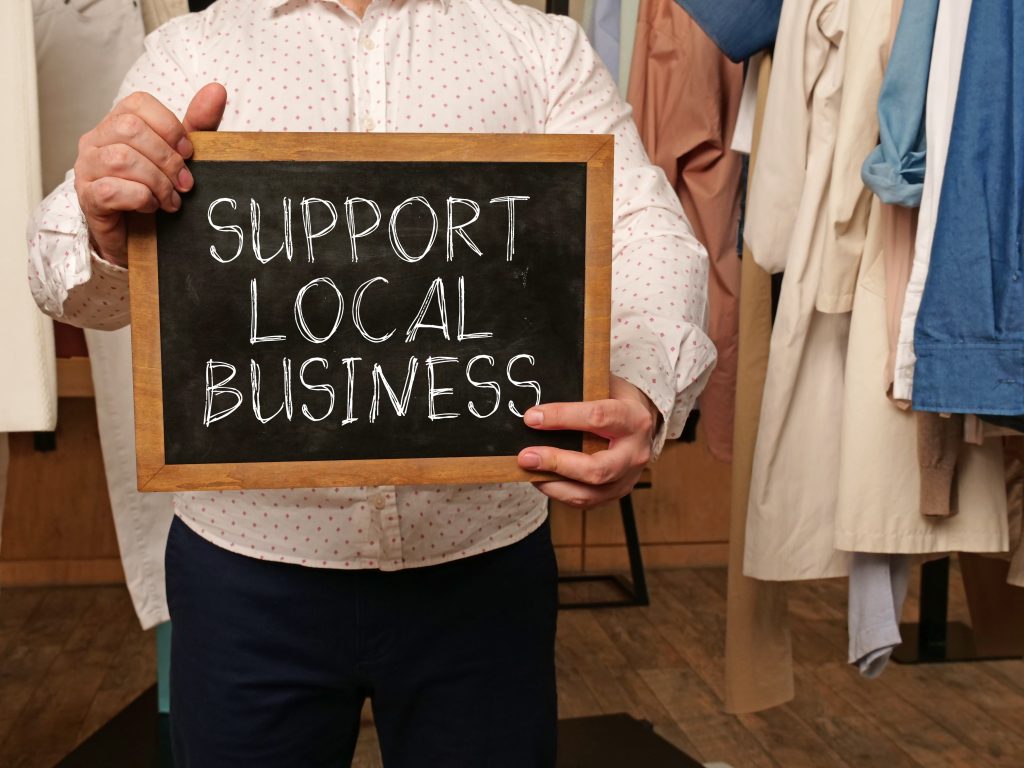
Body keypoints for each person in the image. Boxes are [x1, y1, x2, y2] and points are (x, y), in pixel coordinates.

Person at [27, 0, 715, 765]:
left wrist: (644, 388)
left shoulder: (540, 50)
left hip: (481, 566)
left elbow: (645, 230)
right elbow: (70, 288)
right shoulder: (190, 50)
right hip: (247, 574)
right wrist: (101, 224)